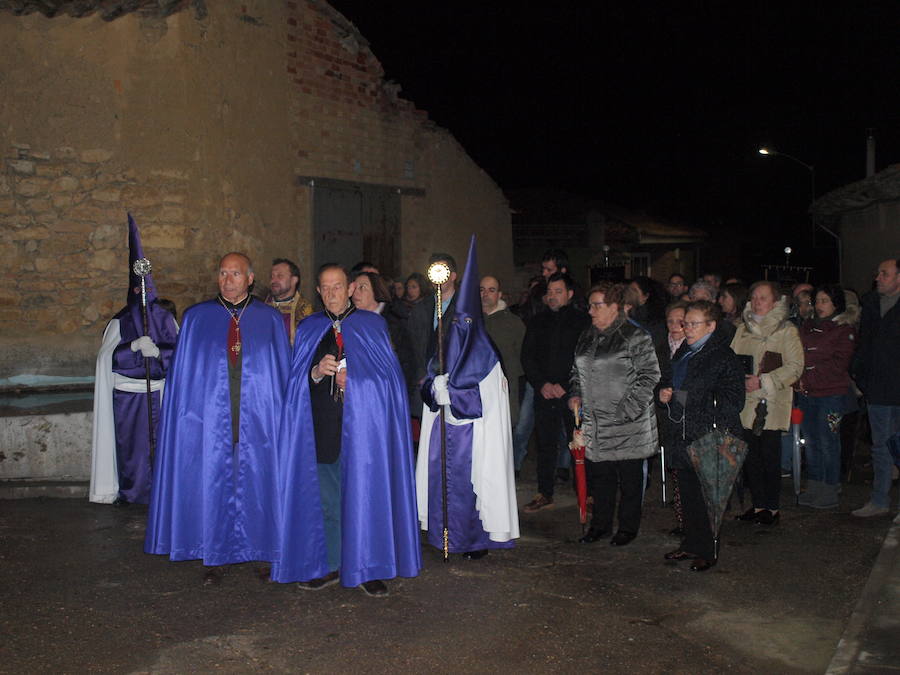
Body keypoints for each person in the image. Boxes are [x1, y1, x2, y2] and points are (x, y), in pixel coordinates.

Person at [272, 264, 420, 596]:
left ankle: (367, 567)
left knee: (365, 498)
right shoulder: (310, 327)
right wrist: (314, 372)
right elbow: (294, 384)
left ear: (351, 288)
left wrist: (359, 381)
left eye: (337, 286)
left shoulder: (372, 325)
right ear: (318, 291)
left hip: (365, 433)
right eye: (325, 288)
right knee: (327, 502)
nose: (331, 293)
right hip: (322, 429)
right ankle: (331, 564)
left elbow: (390, 383)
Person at [144, 252, 290, 585]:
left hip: (259, 418)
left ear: (250, 279)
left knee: (259, 482)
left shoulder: (268, 319)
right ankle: (216, 554)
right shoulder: (198, 318)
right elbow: (184, 379)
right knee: (215, 483)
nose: (228, 280)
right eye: (223, 273)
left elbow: (281, 374)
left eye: (235, 274)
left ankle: (261, 550)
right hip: (210, 420)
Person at [416, 239, 520, 559]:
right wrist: (434, 388)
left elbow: (482, 400)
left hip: (473, 440)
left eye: (466, 323)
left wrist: (451, 393)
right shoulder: (443, 348)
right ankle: (443, 535)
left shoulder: (486, 356)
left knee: (468, 487)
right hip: (442, 434)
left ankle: (473, 540)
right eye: (456, 324)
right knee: (441, 482)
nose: (460, 328)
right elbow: (427, 386)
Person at [90, 215, 178, 506]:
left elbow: (182, 357)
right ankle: (133, 493)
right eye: (138, 288)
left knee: (162, 448)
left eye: (146, 288)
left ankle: (163, 492)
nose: (143, 293)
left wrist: (160, 353)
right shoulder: (120, 321)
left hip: (160, 395)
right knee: (132, 450)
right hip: (128, 397)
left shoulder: (166, 319)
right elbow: (107, 359)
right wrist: (132, 348)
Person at [568, 282, 660, 546]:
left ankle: (628, 527)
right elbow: (576, 371)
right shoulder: (587, 336)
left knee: (630, 479)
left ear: (614, 307)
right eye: (590, 305)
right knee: (601, 477)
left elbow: (649, 375)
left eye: (597, 305)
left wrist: (627, 410)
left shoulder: (635, 336)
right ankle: (601, 525)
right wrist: (575, 394)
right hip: (596, 422)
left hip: (628, 422)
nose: (590, 311)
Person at [658, 301, 744, 571]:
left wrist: (683, 398)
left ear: (711, 326)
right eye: (685, 323)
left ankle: (708, 550)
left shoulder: (723, 356)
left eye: (694, 324)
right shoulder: (683, 352)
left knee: (709, 497)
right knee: (688, 494)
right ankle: (691, 543)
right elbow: (668, 381)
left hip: (710, 437)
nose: (687, 328)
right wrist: (663, 393)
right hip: (682, 433)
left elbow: (733, 400)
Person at [730, 281, 803, 525]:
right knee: (751, 457)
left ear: (775, 301)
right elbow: (732, 359)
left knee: (770, 457)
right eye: (754, 297)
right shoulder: (742, 329)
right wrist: (739, 379)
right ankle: (758, 504)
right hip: (746, 403)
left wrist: (763, 381)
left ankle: (772, 507)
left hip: (770, 403)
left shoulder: (787, 330)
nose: (758, 302)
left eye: (763, 297)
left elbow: (795, 366)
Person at [521, 273, 590, 511]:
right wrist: (542, 384)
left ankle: (586, 493)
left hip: (572, 393)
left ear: (569, 294)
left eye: (558, 292)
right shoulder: (537, 321)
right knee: (545, 444)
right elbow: (527, 356)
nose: (552, 296)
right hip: (544, 393)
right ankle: (544, 492)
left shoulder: (582, 321)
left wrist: (564, 384)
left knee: (578, 443)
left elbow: (583, 357)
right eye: (549, 292)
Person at [795, 285, 856, 509]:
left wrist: (809, 377)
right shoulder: (807, 327)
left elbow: (839, 363)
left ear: (836, 304)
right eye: (817, 301)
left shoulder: (843, 329)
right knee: (811, 441)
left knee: (828, 441)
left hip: (831, 395)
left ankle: (830, 488)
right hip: (807, 394)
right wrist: (798, 378)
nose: (820, 306)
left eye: (825, 301)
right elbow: (797, 355)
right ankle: (815, 485)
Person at [851, 258, 900, 517]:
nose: (877, 277)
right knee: (881, 446)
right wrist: (860, 375)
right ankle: (880, 500)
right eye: (878, 273)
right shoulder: (870, 303)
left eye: (885, 273)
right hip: (878, 388)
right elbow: (863, 343)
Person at [408, 253, 459, 412]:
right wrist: (421, 375)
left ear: (453, 276)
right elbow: (412, 347)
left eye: (442, 271)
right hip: (425, 383)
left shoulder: (464, 308)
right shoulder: (420, 309)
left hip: (454, 384)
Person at [480, 275, 526, 426]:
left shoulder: (513, 323)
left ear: (499, 294)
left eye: (491, 290)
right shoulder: (469, 322)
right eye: (482, 290)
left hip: (504, 389)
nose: (485, 294)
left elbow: (523, 358)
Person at [265, 258, 313, 346]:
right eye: (272, 276)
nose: (273, 281)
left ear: (294, 280)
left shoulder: (303, 309)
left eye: (280, 276)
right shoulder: (262, 305)